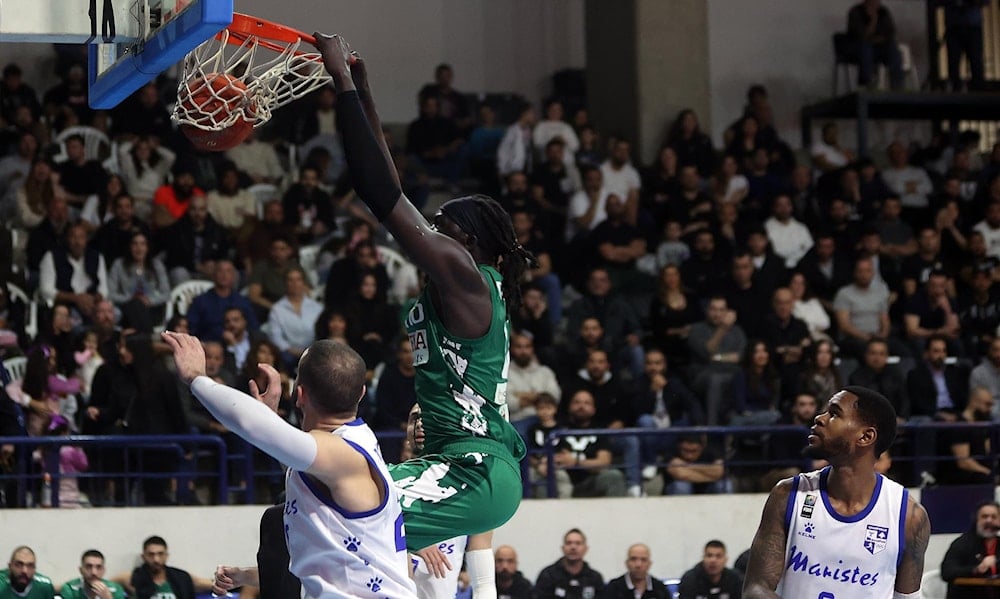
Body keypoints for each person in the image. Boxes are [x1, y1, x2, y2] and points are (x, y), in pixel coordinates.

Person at [312, 33, 535, 599]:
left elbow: (378, 192)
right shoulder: (458, 285)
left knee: (341, 513)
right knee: (314, 502)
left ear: (472, 242)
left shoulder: (466, 277)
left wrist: (339, 82)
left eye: (444, 227)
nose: (431, 234)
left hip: (473, 470)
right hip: (452, 464)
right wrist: (363, 91)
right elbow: (390, 187)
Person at [164, 330, 416, 597]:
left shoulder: (343, 453)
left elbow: (249, 424)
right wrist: (271, 420)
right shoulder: (353, 440)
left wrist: (196, 379)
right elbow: (303, 466)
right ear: (362, 393)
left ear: (300, 395)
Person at [742, 386, 930, 599]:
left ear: (866, 436)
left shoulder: (909, 517)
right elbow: (756, 588)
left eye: (834, 413)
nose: (819, 418)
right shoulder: (788, 495)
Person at [940, 501, 1000, 599]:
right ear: (977, 520)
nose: (989, 520)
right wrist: (976, 569)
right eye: (984, 516)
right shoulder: (962, 543)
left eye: (994, 517)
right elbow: (947, 572)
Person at [534, 529, 605, 599]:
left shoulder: (594, 578)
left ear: (585, 549)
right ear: (563, 548)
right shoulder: (548, 576)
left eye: (578, 543)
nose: (573, 547)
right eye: (568, 543)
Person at [129, 536, 195, 599]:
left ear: (166, 556)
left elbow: (198, 582)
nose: (156, 559)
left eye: (160, 554)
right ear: (143, 557)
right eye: (151, 554)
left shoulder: (182, 578)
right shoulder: (136, 577)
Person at [678, 540, 744, 599]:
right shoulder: (690, 579)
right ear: (703, 558)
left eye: (718, 556)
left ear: (725, 559)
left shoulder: (735, 578)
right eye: (709, 555)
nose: (713, 560)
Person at [604, 543, 671, 599]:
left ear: (649, 564)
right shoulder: (613, 588)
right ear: (627, 563)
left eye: (643, 560)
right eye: (633, 559)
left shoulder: (660, 589)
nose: (638, 564)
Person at [60, 550, 127, 599]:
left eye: (98, 567)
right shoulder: (70, 588)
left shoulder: (115, 589)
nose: (94, 572)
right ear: (81, 570)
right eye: (89, 567)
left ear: (103, 570)